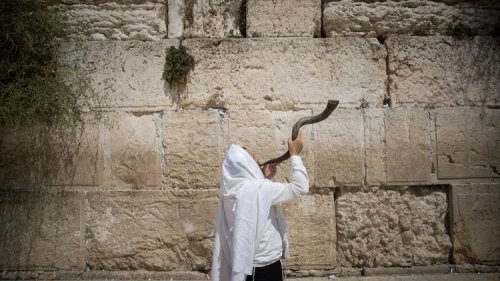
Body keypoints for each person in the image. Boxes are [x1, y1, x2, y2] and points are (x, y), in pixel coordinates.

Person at [211, 131, 309, 281]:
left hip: (248, 266)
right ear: (244, 164)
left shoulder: (230, 188)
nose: (257, 160)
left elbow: (251, 201)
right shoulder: (260, 189)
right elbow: (300, 188)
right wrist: (295, 154)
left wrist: (263, 177)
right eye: (252, 158)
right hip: (265, 267)